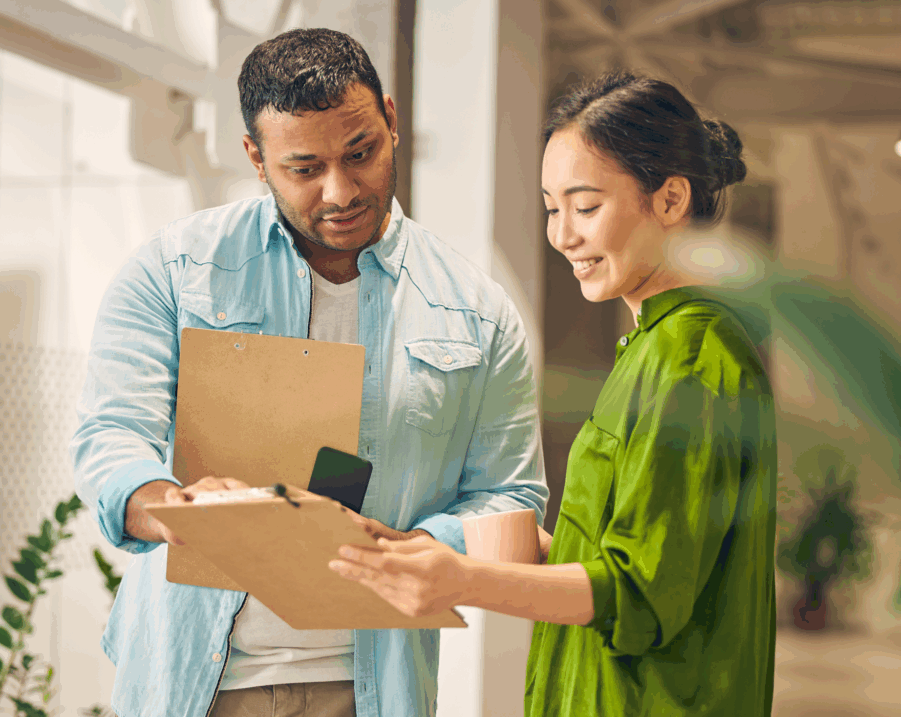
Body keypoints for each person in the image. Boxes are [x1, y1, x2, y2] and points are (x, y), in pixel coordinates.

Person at [70, 28, 547, 717]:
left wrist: (414, 548)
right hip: (190, 681)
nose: (342, 190)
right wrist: (175, 507)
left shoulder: (476, 310)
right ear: (256, 159)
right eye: (304, 167)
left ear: (390, 118)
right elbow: (112, 435)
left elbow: (512, 495)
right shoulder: (171, 273)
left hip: (373, 687)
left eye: (362, 153)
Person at [329, 70, 777, 717]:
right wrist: (452, 545)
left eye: (586, 206)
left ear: (671, 199)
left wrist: (463, 582)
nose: (562, 234)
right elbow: (629, 551)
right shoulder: (650, 346)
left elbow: (640, 593)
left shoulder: (693, 357)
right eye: (551, 207)